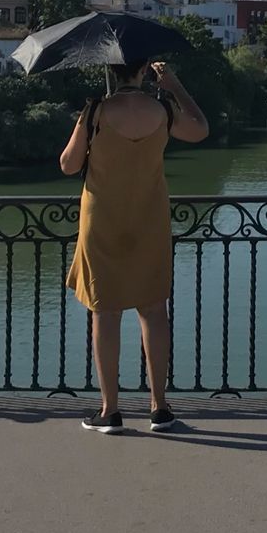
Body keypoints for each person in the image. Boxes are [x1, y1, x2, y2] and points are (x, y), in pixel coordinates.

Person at [59, 60, 209, 434]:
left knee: (105, 313)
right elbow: (201, 131)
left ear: (111, 69)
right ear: (143, 71)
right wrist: (175, 85)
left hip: (102, 220)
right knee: (154, 311)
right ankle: (159, 408)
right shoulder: (164, 109)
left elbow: (68, 164)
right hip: (149, 218)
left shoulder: (95, 111)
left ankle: (110, 411)